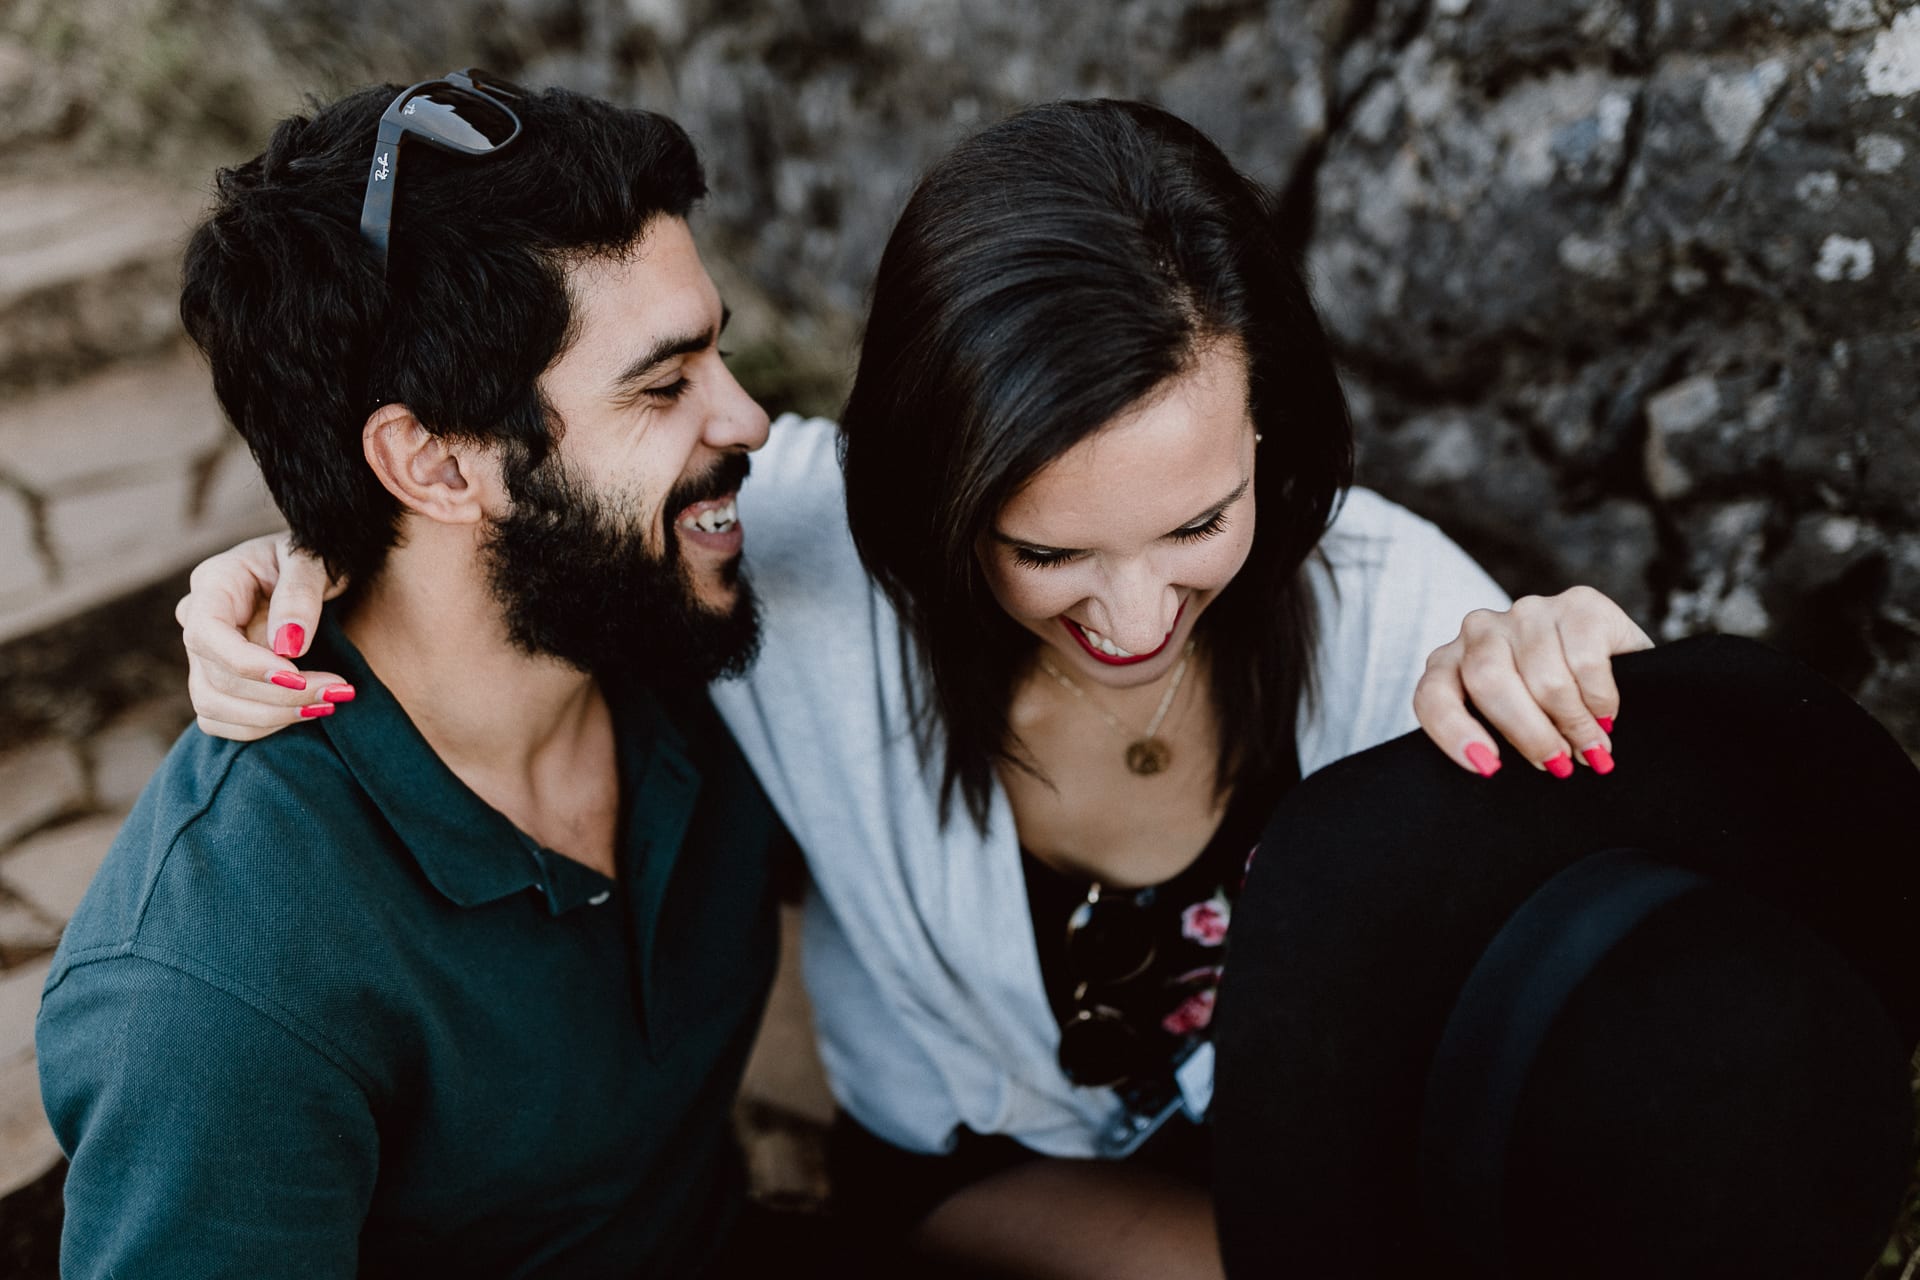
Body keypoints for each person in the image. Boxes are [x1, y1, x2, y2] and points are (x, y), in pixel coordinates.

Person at [169, 98, 1918, 1279]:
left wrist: (1535, 666)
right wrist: (297, 557)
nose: (1139, 607)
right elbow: (511, 507)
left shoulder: (1386, 599)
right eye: (1047, 547)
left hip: (1334, 1194)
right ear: (940, 495)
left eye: (1200, 519)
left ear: (1271, 448)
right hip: (980, 1187)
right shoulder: (797, 559)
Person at [34, 73, 842, 1278]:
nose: (753, 420)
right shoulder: (216, 995)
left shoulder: (665, 621)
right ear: (437, 464)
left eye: (715, 353)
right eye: (665, 384)